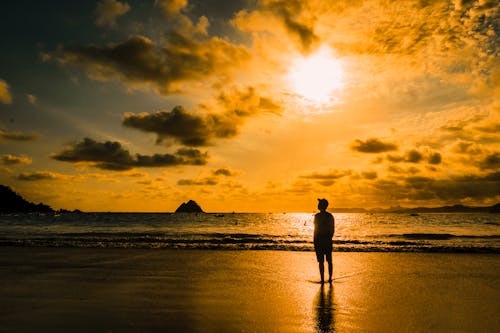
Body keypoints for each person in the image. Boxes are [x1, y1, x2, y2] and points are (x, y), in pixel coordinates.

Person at [314, 198, 335, 284]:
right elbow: (332, 230)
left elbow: (316, 229)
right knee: (328, 261)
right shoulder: (329, 216)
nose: (318, 205)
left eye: (319, 204)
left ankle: (323, 279)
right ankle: (329, 278)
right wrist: (329, 238)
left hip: (320, 240)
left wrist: (315, 241)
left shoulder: (317, 216)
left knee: (321, 262)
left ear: (322, 206)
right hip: (326, 240)